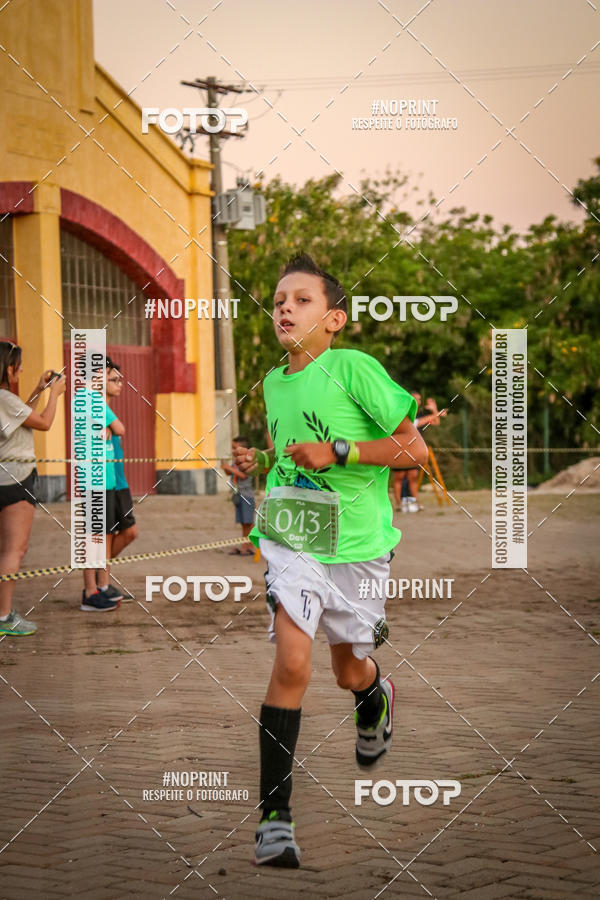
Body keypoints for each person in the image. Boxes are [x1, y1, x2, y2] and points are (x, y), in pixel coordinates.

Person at [233, 253, 427, 868]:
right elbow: (289, 459)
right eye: (279, 298)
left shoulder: (354, 367)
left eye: (302, 299)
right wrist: (258, 467)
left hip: (361, 546)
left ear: (335, 318)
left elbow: (413, 452)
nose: (284, 306)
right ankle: (274, 820)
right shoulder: (272, 381)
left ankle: (376, 698)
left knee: (348, 672)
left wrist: (339, 450)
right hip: (296, 536)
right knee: (293, 662)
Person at [0, 342, 66, 636]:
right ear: (8, 367)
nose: (22, 369)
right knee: (14, 551)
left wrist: (39, 390)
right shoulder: (4, 398)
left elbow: (22, 419)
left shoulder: (7, 401)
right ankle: (3, 616)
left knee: (7, 551)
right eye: (19, 365)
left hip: (6, 478)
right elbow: (43, 423)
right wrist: (55, 394)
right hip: (16, 481)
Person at [77, 358, 124, 612]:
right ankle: (90, 591)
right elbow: (121, 428)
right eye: (107, 373)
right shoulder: (90, 399)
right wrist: (109, 424)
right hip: (93, 479)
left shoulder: (89, 399)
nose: (110, 378)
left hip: (103, 479)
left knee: (102, 534)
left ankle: (100, 587)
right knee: (93, 536)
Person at [105, 360, 138, 599]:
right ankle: (100, 579)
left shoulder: (108, 410)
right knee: (107, 534)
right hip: (107, 483)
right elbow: (121, 429)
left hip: (120, 482)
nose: (120, 384)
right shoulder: (97, 407)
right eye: (114, 380)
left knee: (130, 532)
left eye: (120, 380)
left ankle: (100, 571)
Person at [392, 392, 447, 513]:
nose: (418, 401)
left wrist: (434, 410)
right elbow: (417, 423)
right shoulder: (403, 414)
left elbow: (436, 422)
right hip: (399, 449)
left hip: (413, 450)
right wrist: (436, 413)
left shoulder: (421, 414)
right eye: (415, 399)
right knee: (399, 477)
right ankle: (399, 504)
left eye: (419, 399)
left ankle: (415, 502)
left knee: (413, 476)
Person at [222, 436, 255, 556]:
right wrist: (225, 466)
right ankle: (244, 546)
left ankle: (251, 546)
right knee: (243, 522)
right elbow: (229, 472)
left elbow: (243, 475)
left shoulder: (247, 460)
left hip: (246, 495)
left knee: (249, 522)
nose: (232, 450)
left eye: (234, 447)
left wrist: (229, 468)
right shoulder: (236, 460)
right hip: (237, 494)